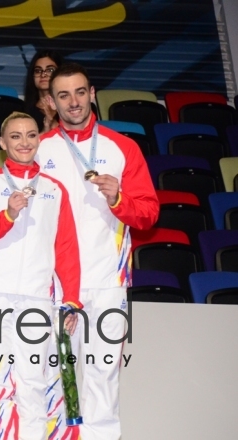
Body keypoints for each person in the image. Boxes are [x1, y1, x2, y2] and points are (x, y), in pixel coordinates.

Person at [36, 63, 159, 440]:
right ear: (52, 103)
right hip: (55, 284)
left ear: (92, 93)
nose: (73, 102)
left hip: (108, 279)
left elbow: (149, 214)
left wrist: (119, 198)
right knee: (55, 374)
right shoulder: (39, 149)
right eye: (63, 95)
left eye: (79, 92)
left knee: (104, 376)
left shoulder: (123, 148)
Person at [0, 112, 82, 439]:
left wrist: (71, 299)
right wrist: (7, 215)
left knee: (33, 384)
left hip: (37, 298)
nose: (25, 142)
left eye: (31, 135)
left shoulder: (55, 190)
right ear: (2, 143)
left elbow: (67, 248)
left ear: (39, 140)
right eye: (15, 136)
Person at [24, 50, 63, 133]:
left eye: (50, 70)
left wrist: (52, 121)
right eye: (38, 71)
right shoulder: (24, 112)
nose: (43, 75)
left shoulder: (71, 107)